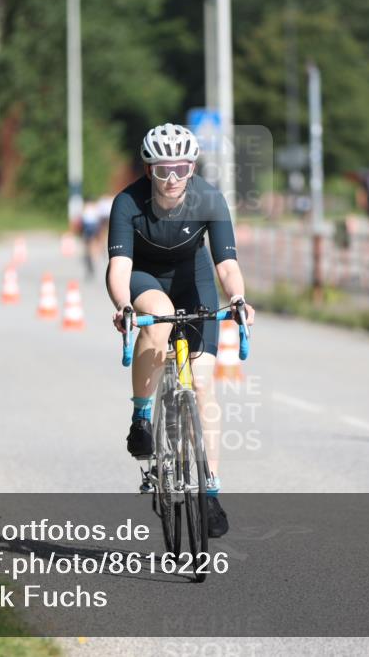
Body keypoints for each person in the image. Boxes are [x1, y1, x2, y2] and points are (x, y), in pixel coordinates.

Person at [106, 123, 255, 539]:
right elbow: (118, 268)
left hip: (196, 282)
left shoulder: (209, 197)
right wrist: (122, 305)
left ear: (192, 168)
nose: (172, 179)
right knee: (160, 313)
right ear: (148, 169)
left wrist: (239, 299)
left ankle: (209, 493)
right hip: (145, 279)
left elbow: (226, 265)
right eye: (162, 169)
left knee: (204, 384)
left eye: (181, 169)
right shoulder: (127, 203)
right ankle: (142, 416)